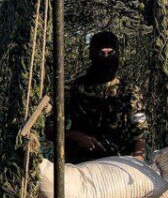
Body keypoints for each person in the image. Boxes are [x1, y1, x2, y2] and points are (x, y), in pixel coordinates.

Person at [52, 31, 147, 162]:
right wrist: (75, 136)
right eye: (101, 53)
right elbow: (51, 128)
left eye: (110, 53)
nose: (106, 58)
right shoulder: (74, 88)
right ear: (92, 55)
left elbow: (140, 131)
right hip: (80, 166)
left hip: (119, 164)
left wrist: (138, 158)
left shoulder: (131, 91)